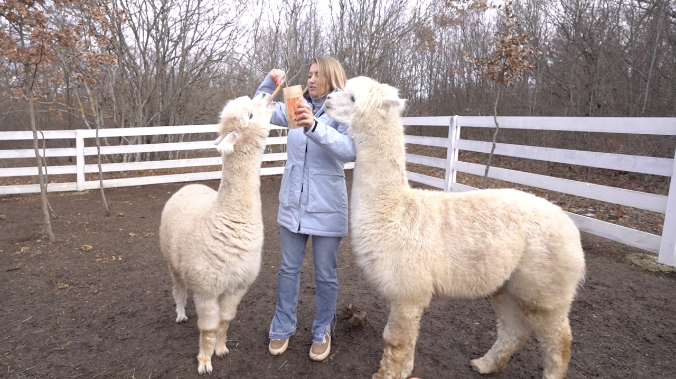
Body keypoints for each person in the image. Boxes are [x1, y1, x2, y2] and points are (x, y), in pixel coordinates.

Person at [254, 57, 355, 361]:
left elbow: (349, 151)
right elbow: (258, 111)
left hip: (326, 207)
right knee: (287, 270)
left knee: (325, 274)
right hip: (293, 204)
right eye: (309, 75)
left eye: (316, 74)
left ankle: (322, 329)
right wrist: (269, 84)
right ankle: (283, 326)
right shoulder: (295, 104)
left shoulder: (344, 109)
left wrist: (313, 125)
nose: (310, 79)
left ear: (331, 77)